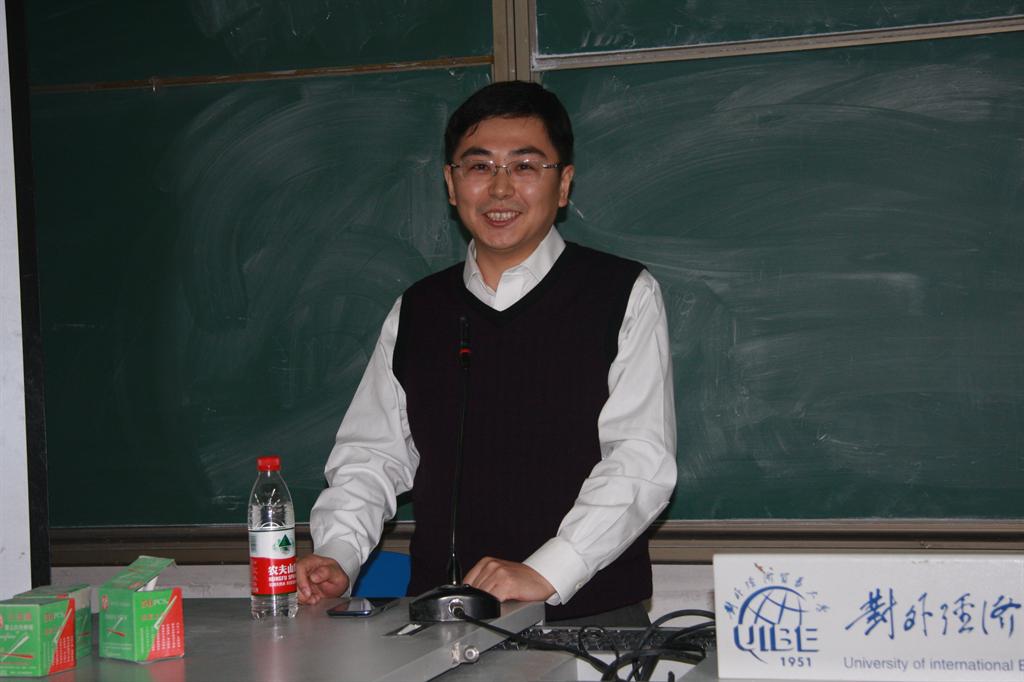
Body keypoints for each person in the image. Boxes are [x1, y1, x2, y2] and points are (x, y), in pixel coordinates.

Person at [296, 80, 676, 625]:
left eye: (525, 166)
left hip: (588, 618)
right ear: (451, 185)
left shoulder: (623, 294)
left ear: (563, 185)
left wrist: (547, 570)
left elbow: (640, 461)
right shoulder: (419, 309)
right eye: (479, 167)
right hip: (440, 618)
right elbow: (372, 456)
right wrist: (338, 552)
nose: (500, 189)